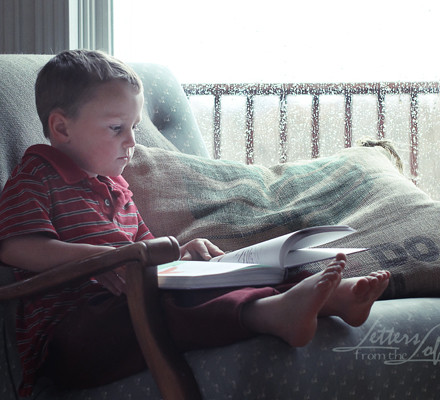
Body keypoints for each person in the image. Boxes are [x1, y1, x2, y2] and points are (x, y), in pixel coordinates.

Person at [0, 50, 390, 395]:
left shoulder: (117, 188)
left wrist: (184, 253)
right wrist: (108, 257)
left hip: (132, 300)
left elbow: (146, 250)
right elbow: (17, 247)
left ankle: (325, 299)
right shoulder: (36, 176)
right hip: (72, 334)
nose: (132, 142)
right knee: (168, 309)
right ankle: (268, 314)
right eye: (117, 128)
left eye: (134, 127)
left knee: (220, 278)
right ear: (62, 128)